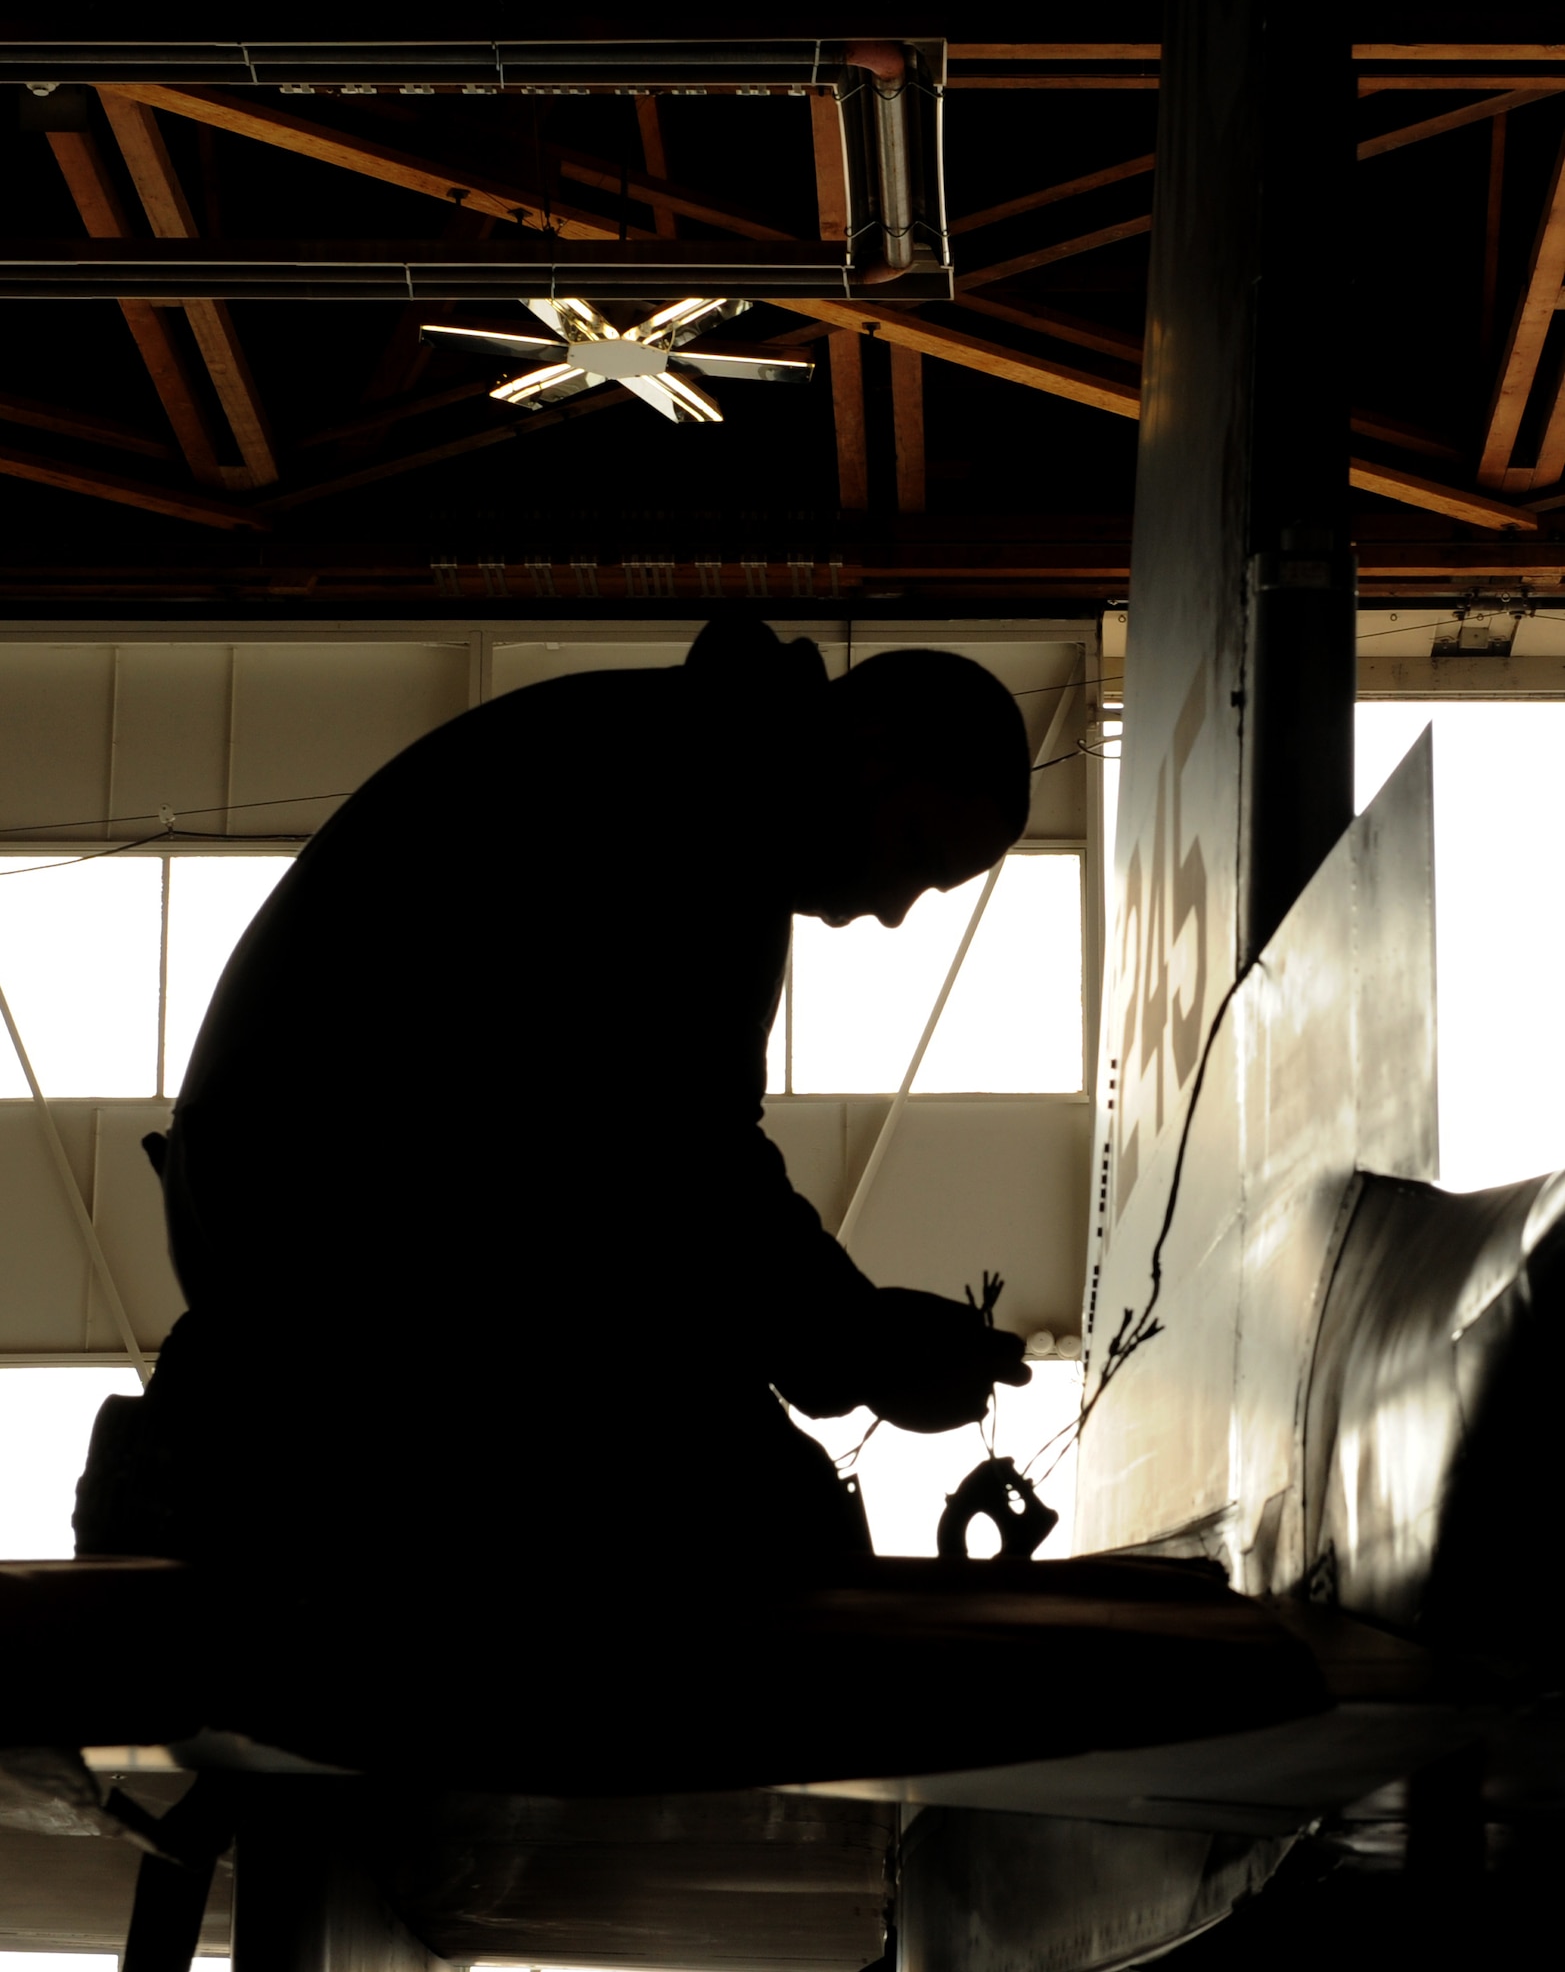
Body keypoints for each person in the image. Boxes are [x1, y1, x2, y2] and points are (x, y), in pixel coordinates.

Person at [79, 616, 1032, 1586]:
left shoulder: (671, 756)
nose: (893, 909)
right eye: (914, 848)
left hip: (298, 1206)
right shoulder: (693, 806)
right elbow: (676, 1157)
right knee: (760, 1526)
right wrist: (860, 1344)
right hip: (339, 1219)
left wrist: (850, 1339)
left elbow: (645, 1153)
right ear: (871, 748)